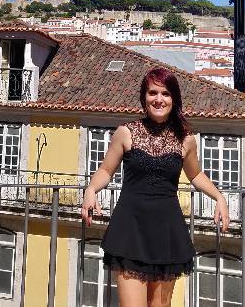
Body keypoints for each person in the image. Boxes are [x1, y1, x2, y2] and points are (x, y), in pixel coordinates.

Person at [80, 67, 230, 307]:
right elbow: (106, 170)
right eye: (153, 92)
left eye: (166, 93)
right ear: (144, 97)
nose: (159, 99)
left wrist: (219, 197)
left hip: (166, 233)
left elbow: (196, 174)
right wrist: (90, 190)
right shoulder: (125, 133)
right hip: (130, 230)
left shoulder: (186, 139)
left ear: (174, 99)